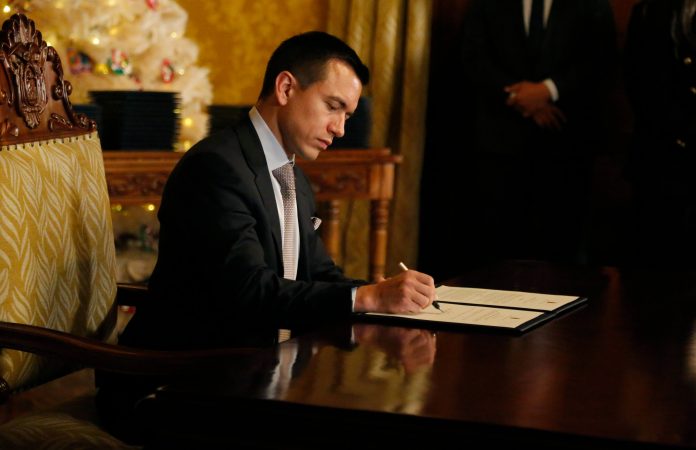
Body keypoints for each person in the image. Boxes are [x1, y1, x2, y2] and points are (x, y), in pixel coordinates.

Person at [118, 31, 437, 351]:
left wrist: (384, 294)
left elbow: (319, 274)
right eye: (333, 106)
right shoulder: (215, 167)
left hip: (265, 362)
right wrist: (368, 297)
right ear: (285, 88)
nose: (340, 129)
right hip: (191, 368)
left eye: (347, 115)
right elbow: (248, 290)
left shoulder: (295, 178)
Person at [459, 0, 617, 266]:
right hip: (499, 146)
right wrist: (519, 98)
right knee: (497, 248)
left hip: (566, 142)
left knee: (562, 247)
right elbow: (472, 57)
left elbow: (601, 59)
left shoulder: (592, 4)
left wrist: (549, 90)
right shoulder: (487, 4)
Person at [624, 0, 696, 267]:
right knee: (656, 266)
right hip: (659, 166)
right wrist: (681, 134)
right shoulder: (649, 11)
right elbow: (638, 83)